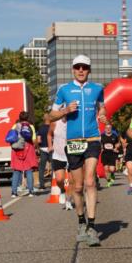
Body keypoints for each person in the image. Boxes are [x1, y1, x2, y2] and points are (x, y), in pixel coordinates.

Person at [48, 55, 107, 246]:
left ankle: (92, 225)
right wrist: (65, 111)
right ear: (73, 69)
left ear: (89, 70)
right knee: (78, 186)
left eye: (85, 67)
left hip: (92, 139)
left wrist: (103, 116)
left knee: (90, 181)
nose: (81, 70)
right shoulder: (64, 90)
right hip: (72, 142)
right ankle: (81, 221)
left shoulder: (97, 88)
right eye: (77, 67)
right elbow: (51, 115)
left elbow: (102, 108)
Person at [7, 111, 37, 197]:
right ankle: (31, 191)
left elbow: (11, 137)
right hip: (28, 148)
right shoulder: (31, 127)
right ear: (28, 118)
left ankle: (14, 192)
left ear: (19, 118)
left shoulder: (15, 126)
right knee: (29, 170)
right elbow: (34, 139)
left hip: (17, 149)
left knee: (16, 170)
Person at [48, 115, 72, 210]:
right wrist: (50, 145)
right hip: (58, 155)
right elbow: (49, 134)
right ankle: (62, 190)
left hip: (71, 155)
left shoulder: (73, 123)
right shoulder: (55, 123)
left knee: (71, 181)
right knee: (59, 179)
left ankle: (68, 200)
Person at [100, 121, 122, 187]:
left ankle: (112, 174)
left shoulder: (114, 136)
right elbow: (100, 143)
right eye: (107, 128)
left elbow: (118, 143)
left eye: (109, 128)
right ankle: (109, 181)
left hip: (112, 154)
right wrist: (101, 148)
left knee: (112, 169)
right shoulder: (102, 136)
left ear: (111, 128)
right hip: (105, 154)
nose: (108, 129)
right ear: (105, 129)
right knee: (106, 169)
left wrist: (117, 147)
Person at [36, 112, 53, 190]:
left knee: (41, 168)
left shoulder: (41, 128)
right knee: (54, 167)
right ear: (50, 119)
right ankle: (54, 183)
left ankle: (42, 185)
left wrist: (38, 147)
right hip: (52, 148)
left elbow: (39, 140)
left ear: (43, 119)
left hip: (43, 149)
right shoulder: (52, 127)